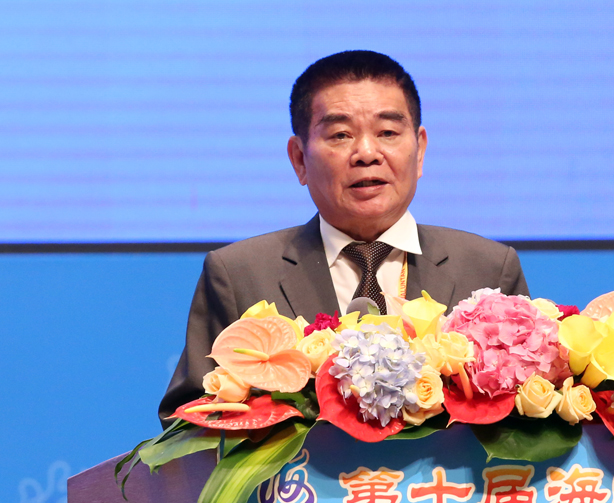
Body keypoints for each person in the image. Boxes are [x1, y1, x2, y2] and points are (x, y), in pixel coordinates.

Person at [158, 50, 529, 422]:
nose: (366, 153)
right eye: (340, 135)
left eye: (388, 132)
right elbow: (189, 424)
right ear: (299, 159)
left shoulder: (488, 269)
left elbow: (526, 422)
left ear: (419, 151)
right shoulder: (239, 275)